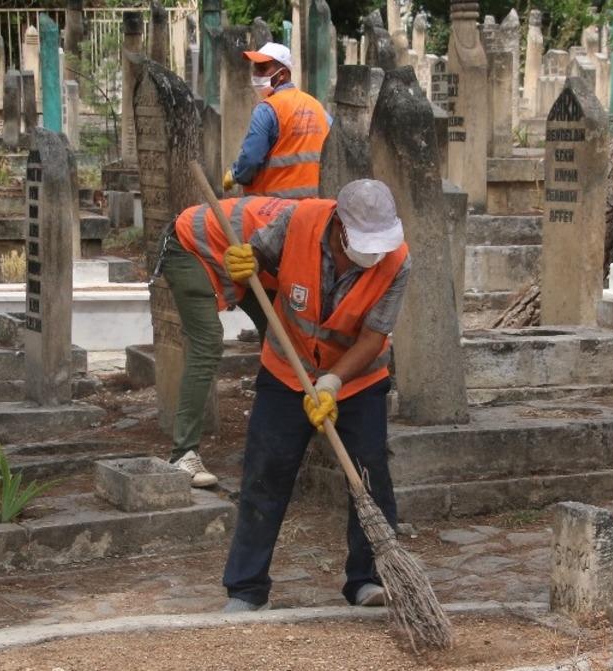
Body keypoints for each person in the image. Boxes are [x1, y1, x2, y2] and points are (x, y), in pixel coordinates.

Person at [219, 180, 410, 611]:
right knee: (265, 473)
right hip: (287, 369)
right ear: (340, 225)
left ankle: (369, 578)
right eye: (366, 243)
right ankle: (247, 588)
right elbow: (255, 265)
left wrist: (333, 382)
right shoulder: (298, 221)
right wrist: (240, 267)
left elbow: (373, 336)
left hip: (358, 379)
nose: (374, 254)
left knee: (369, 475)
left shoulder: (397, 260)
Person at [159, 196, 294, 486]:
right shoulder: (303, 239)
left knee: (281, 337)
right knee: (207, 343)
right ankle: (183, 454)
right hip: (190, 245)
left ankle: (278, 442)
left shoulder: (322, 231)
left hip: (240, 255)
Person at [223, 42, 331, 200]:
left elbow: (251, 159)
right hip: (315, 209)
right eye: (255, 68)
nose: (256, 74)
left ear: (282, 74)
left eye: (262, 69)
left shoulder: (267, 109)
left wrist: (235, 174)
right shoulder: (317, 107)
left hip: (272, 210)